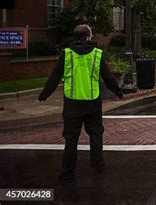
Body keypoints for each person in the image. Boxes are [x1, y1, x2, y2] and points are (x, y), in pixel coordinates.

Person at [38, 24, 123, 181]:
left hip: (72, 104)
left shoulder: (67, 54)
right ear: (88, 36)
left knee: (71, 138)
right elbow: (108, 77)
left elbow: (54, 78)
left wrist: (44, 95)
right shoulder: (97, 54)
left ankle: (67, 172)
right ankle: (98, 165)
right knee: (96, 135)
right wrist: (118, 92)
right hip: (92, 102)